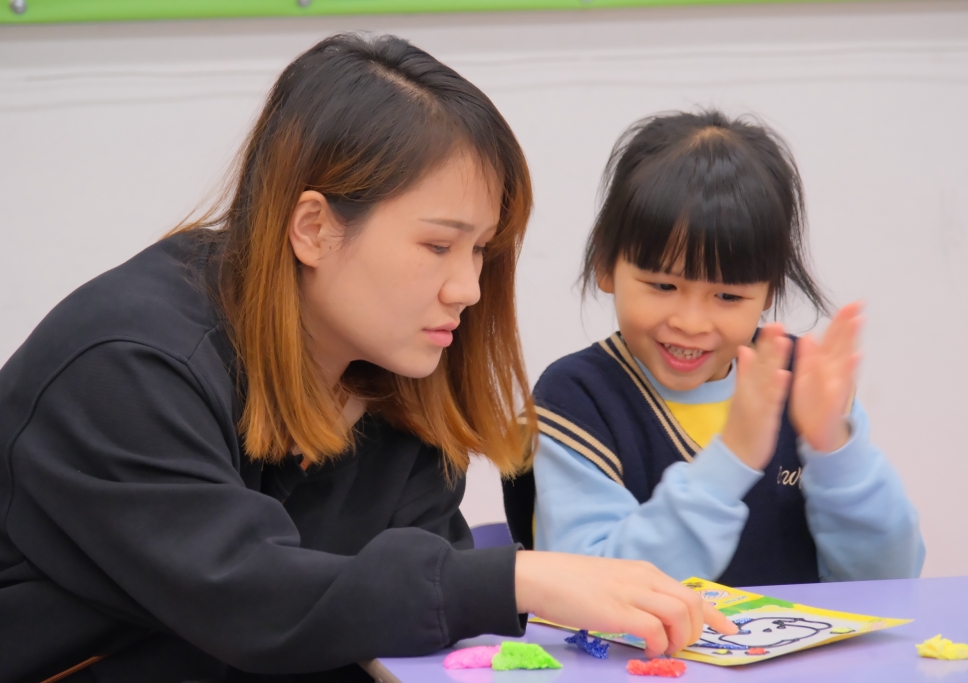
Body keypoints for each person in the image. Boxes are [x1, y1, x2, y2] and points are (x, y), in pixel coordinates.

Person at [0, 36, 734, 683]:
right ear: (314, 228)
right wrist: (520, 578)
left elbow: (409, 623)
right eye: (438, 245)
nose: (469, 288)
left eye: (481, 250)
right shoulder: (127, 364)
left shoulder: (397, 376)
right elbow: (252, 599)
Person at [504, 110, 925, 587]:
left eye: (727, 296)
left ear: (769, 291)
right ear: (605, 263)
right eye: (663, 286)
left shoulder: (803, 385)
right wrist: (733, 460)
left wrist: (836, 450)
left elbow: (891, 581)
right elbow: (591, 591)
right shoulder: (579, 400)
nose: (690, 322)